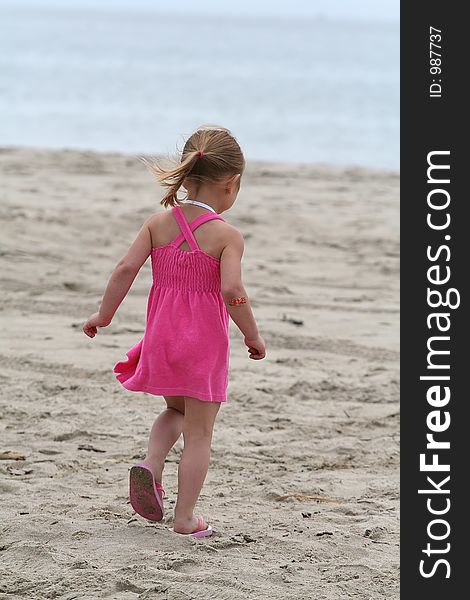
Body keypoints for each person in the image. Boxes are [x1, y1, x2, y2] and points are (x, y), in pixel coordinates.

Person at [82, 125, 266, 538]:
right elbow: (233, 291)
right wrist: (251, 336)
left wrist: (104, 315)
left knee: (175, 411)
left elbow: (125, 269)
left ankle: (151, 462)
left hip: (161, 339)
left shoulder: (158, 223)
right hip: (202, 348)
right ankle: (185, 519)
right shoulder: (227, 236)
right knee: (200, 433)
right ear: (231, 183)